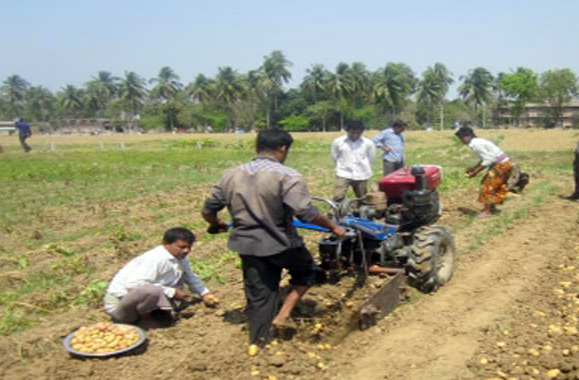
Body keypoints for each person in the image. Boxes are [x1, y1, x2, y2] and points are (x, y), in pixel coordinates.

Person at [202, 128, 346, 349]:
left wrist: (215, 224)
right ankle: (284, 314)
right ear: (282, 148)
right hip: (281, 243)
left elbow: (208, 209)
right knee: (307, 271)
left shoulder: (231, 174)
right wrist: (333, 227)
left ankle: (259, 343)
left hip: (247, 244)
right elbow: (305, 212)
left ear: (257, 147)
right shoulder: (288, 176)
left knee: (260, 295)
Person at [103, 228, 219, 324]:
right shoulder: (156, 258)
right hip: (120, 307)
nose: (186, 251)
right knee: (151, 290)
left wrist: (204, 293)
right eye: (181, 247)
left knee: (167, 297)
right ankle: (145, 321)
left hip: (140, 303)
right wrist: (172, 292)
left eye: (189, 247)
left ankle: (155, 315)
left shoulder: (179, 258)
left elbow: (189, 276)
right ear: (166, 244)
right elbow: (134, 285)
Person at [455, 126, 513, 218]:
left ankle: (487, 212)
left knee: (487, 185)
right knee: (492, 185)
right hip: (502, 163)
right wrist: (474, 168)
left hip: (501, 165)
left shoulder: (476, 144)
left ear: (469, 136)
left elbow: (488, 160)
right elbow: (485, 158)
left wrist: (475, 172)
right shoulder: (478, 142)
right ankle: (491, 207)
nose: (462, 140)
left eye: (462, 138)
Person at [331, 119, 376, 203]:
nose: (355, 135)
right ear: (347, 131)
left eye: (358, 133)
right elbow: (335, 156)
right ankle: (333, 214)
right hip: (343, 173)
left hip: (361, 174)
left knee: (362, 198)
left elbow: (371, 158)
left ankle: (362, 214)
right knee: (338, 196)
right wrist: (341, 166)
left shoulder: (368, 143)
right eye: (352, 133)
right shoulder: (338, 142)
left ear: (362, 132)